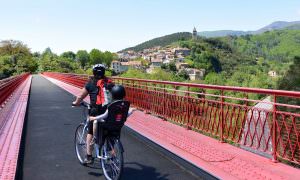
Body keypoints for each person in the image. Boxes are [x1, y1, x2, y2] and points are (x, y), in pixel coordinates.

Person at [72, 64, 113, 164]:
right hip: (109, 111)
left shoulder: (90, 83)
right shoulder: (110, 83)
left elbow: (81, 96)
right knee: (110, 131)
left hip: (96, 111)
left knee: (90, 132)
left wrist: (76, 103)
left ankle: (89, 156)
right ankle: (112, 153)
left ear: (94, 73)